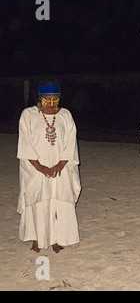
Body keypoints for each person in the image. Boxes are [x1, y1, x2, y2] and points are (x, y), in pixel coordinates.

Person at [17, 81, 81, 253]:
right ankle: (37, 239)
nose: (52, 102)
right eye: (48, 99)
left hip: (61, 167)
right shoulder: (28, 115)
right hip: (35, 168)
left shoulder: (65, 115)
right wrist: (40, 167)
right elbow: (25, 143)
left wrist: (60, 164)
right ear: (40, 98)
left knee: (58, 201)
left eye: (56, 99)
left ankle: (57, 239)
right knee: (37, 200)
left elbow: (70, 141)